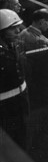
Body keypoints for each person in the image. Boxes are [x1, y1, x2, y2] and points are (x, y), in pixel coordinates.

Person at [0, 9, 29, 150]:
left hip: (21, 99)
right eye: (12, 28)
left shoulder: (17, 44)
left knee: (22, 138)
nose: (18, 31)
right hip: (4, 106)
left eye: (18, 26)